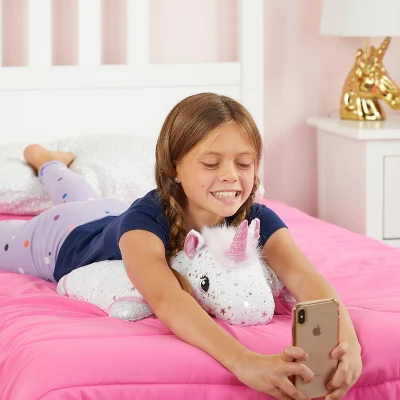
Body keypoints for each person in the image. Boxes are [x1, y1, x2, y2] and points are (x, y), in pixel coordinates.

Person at [0, 93, 361, 400]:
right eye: (211, 163)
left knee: (84, 197)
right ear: (174, 167)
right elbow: (167, 298)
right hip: (61, 236)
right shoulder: (144, 220)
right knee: (69, 206)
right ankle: (45, 161)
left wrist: (349, 344)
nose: (230, 176)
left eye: (244, 163)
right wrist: (244, 361)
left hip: (107, 211)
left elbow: (305, 276)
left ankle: (54, 163)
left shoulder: (258, 218)